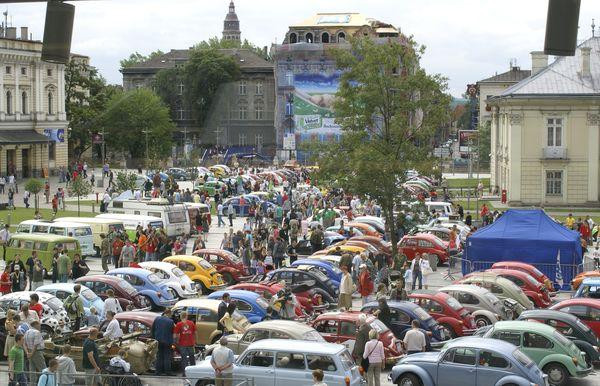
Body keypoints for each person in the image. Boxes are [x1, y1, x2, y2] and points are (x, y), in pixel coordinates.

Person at [151, 308, 175, 376]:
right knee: (167, 357)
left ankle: (158, 371)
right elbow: (172, 332)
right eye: (171, 315)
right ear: (168, 314)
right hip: (167, 341)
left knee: (159, 356)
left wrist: (154, 338)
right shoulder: (171, 321)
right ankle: (168, 372)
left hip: (158, 340)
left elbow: (153, 329)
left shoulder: (157, 319)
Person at [25, 320, 47, 384]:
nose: (40, 326)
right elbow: (36, 345)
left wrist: (28, 353)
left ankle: (32, 384)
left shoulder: (27, 332)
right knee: (43, 369)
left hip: (29, 351)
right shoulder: (37, 332)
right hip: (36, 352)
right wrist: (32, 353)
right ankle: (44, 383)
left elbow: (25, 343)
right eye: (39, 325)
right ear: (36, 324)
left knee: (32, 370)